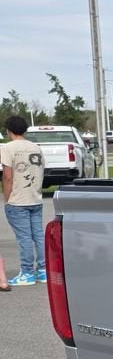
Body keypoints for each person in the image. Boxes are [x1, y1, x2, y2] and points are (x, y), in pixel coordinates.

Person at [1, 115, 46, 286]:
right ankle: (43, 270)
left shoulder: (8, 148)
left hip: (18, 199)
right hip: (35, 197)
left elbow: (7, 176)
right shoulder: (36, 147)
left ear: (8, 130)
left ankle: (27, 272)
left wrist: (7, 197)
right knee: (38, 236)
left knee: (24, 238)